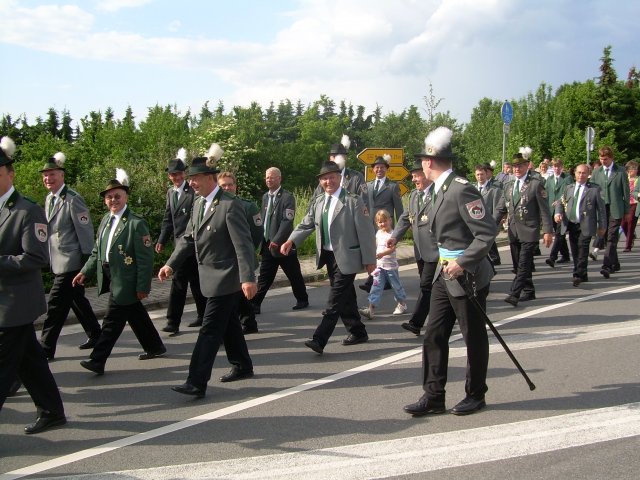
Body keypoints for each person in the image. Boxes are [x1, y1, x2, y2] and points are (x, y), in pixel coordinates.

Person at [403, 127, 497, 417]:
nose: (421, 166)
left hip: (466, 275)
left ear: (429, 162)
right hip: (444, 274)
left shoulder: (461, 188)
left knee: (473, 336)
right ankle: (434, 396)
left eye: (422, 161)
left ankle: (476, 394)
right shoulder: (438, 190)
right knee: (434, 333)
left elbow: (486, 233)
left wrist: (463, 262)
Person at [158, 144, 257, 397]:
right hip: (208, 277)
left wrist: (247, 277)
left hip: (227, 277)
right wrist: (170, 264)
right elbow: (189, 239)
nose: (191, 183)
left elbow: (243, 244)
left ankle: (196, 381)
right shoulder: (198, 204)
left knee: (210, 329)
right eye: (190, 179)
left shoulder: (230, 205)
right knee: (229, 325)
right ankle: (243, 365)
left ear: (211, 178)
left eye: (196, 178)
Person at [0, 136, 66, 434]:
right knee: (30, 360)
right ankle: (52, 411)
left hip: (15, 304)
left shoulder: (27, 210)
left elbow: (35, 257)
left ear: (11, 174)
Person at [73, 169, 166, 375]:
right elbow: (98, 250)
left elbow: (145, 258)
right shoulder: (106, 220)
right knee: (135, 313)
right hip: (108, 273)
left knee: (112, 320)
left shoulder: (135, 223)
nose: (113, 200)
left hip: (125, 279)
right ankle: (154, 346)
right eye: (109, 197)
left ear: (126, 197)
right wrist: (84, 272)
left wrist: (143, 286)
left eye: (117, 196)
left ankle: (97, 360)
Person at [281, 162, 376, 354]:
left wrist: (370, 259)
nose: (328, 181)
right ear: (320, 181)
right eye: (324, 178)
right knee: (346, 297)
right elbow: (306, 224)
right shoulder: (318, 202)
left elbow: (366, 233)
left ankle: (319, 339)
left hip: (347, 256)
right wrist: (290, 240)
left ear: (340, 178)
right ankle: (358, 331)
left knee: (335, 300)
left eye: (332, 177)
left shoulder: (352, 201)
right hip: (329, 256)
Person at [39, 152, 101, 359]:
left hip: (71, 261)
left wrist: (86, 264)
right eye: (45, 175)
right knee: (76, 300)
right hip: (57, 260)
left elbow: (85, 232)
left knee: (56, 305)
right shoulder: (49, 198)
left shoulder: (73, 199)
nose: (48, 179)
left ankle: (45, 348)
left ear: (62, 175)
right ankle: (96, 334)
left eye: (52, 174)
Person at [156, 148, 207, 333]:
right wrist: (162, 239)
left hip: (192, 243)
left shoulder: (192, 191)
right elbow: (168, 218)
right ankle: (193, 317)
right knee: (188, 281)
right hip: (179, 244)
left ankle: (176, 321)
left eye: (177, 174)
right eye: (172, 175)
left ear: (184, 173)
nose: (175, 177)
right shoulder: (171, 193)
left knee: (185, 281)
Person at [250, 167, 309, 327]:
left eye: (272, 177)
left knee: (294, 274)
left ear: (279, 179)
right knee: (265, 277)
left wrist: (277, 240)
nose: (269, 180)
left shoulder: (287, 197)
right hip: (268, 245)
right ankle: (255, 304)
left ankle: (302, 299)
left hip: (283, 245)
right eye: (267, 177)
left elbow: (286, 221)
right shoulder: (264, 197)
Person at [495, 151, 553, 307]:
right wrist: (489, 226)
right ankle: (529, 290)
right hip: (513, 231)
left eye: (520, 165)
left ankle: (514, 293)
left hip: (529, 230)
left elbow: (544, 210)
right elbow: (501, 209)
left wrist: (548, 231)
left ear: (527, 166)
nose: (516, 169)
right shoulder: (508, 185)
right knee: (518, 265)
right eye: (514, 166)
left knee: (523, 263)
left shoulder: (535, 184)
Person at [388, 160, 438, 336]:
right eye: (413, 176)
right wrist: (394, 237)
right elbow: (404, 217)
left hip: (436, 250)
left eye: (417, 175)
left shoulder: (439, 194)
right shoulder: (414, 196)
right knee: (436, 287)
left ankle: (416, 323)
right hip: (420, 251)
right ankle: (443, 316)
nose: (414, 179)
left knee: (426, 285)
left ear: (426, 174)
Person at [217, 171, 264, 335]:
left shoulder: (248, 205)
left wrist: (250, 250)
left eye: (230, 184)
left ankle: (245, 322)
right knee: (236, 292)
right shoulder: (216, 205)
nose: (227, 187)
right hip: (224, 257)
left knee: (238, 290)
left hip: (242, 256)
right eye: (223, 185)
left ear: (236, 186)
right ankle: (248, 322)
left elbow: (258, 232)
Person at [554, 164, 606, 286]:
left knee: (583, 248)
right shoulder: (569, 188)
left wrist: (602, 226)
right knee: (575, 250)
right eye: (579, 173)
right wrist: (557, 213)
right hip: (572, 224)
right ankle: (583, 274)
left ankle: (577, 274)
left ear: (588, 175)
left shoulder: (594, 189)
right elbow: (560, 203)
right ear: (574, 173)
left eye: (584, 173)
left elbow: (601, 210)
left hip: (587, 224)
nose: (581, 175)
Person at [360, 154, 404, 292]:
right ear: (373, 170)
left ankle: (373, 281)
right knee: (374, 253)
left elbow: (399, 209)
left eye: (382, 167)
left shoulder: (392, 186)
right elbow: (363, 206)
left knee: (384, 254)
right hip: (371, 225)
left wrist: (397, 231)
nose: (379, 170)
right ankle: (380, 280)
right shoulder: (367, 186)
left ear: (386, 169)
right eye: (377, 167)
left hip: (386, 227)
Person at [589, 146, 630, 278]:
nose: (603, 161)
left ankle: (606, 265)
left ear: (611, 158)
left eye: (605, 159)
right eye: (601, 159)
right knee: (606, 237)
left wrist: (627, 210)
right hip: (601, 209)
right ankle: (615, 263)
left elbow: (626, 193)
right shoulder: (596, 173)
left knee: (612, 236)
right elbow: (592, 192)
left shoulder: (620, 172)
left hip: (616, 208)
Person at [358, 209, 408, 319]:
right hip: (379, 266)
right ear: (377, 223)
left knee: (396, 286)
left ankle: (402, 303)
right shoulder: (378, 233)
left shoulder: (392, 234)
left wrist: (382, 253)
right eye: (380, 222)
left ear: (390, 220)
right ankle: (371, 309)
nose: (383, 224)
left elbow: (392, 249)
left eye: (385, 221)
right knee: (376, 286)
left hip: (391, 267)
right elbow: (375, 245)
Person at [544, 158, 572, 267]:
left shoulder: (567, 178)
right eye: (555, 167)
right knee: (559, 233)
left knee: (560, 233)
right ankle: (565, 255)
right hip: (551, 210)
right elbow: (545, 193)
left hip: (563, 210)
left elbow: (570, 192)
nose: (557, 169)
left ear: (562, 167)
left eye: (558, 166)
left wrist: (560, 200)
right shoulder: (549, 179)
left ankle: (552, 257)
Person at [475, 164, 504, 266]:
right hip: (476, 222)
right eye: (477, 175)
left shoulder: (494, 189)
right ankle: (492, 261)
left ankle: (492, 262)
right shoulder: (473, 189)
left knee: (486, 243)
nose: (480, 177)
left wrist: (495, 223)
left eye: (482, 174)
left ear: (486, 174)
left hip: (489, 222)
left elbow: (497, 208)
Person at [621, 160, 638, 252]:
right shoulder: (624, 179)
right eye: (631, 169)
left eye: (635, 169)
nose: (633, 171)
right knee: (623, 224)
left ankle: (628, 246)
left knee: (631, 223)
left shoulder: (638, 180)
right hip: (625, 204)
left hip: (635, 203)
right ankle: (630, 238)